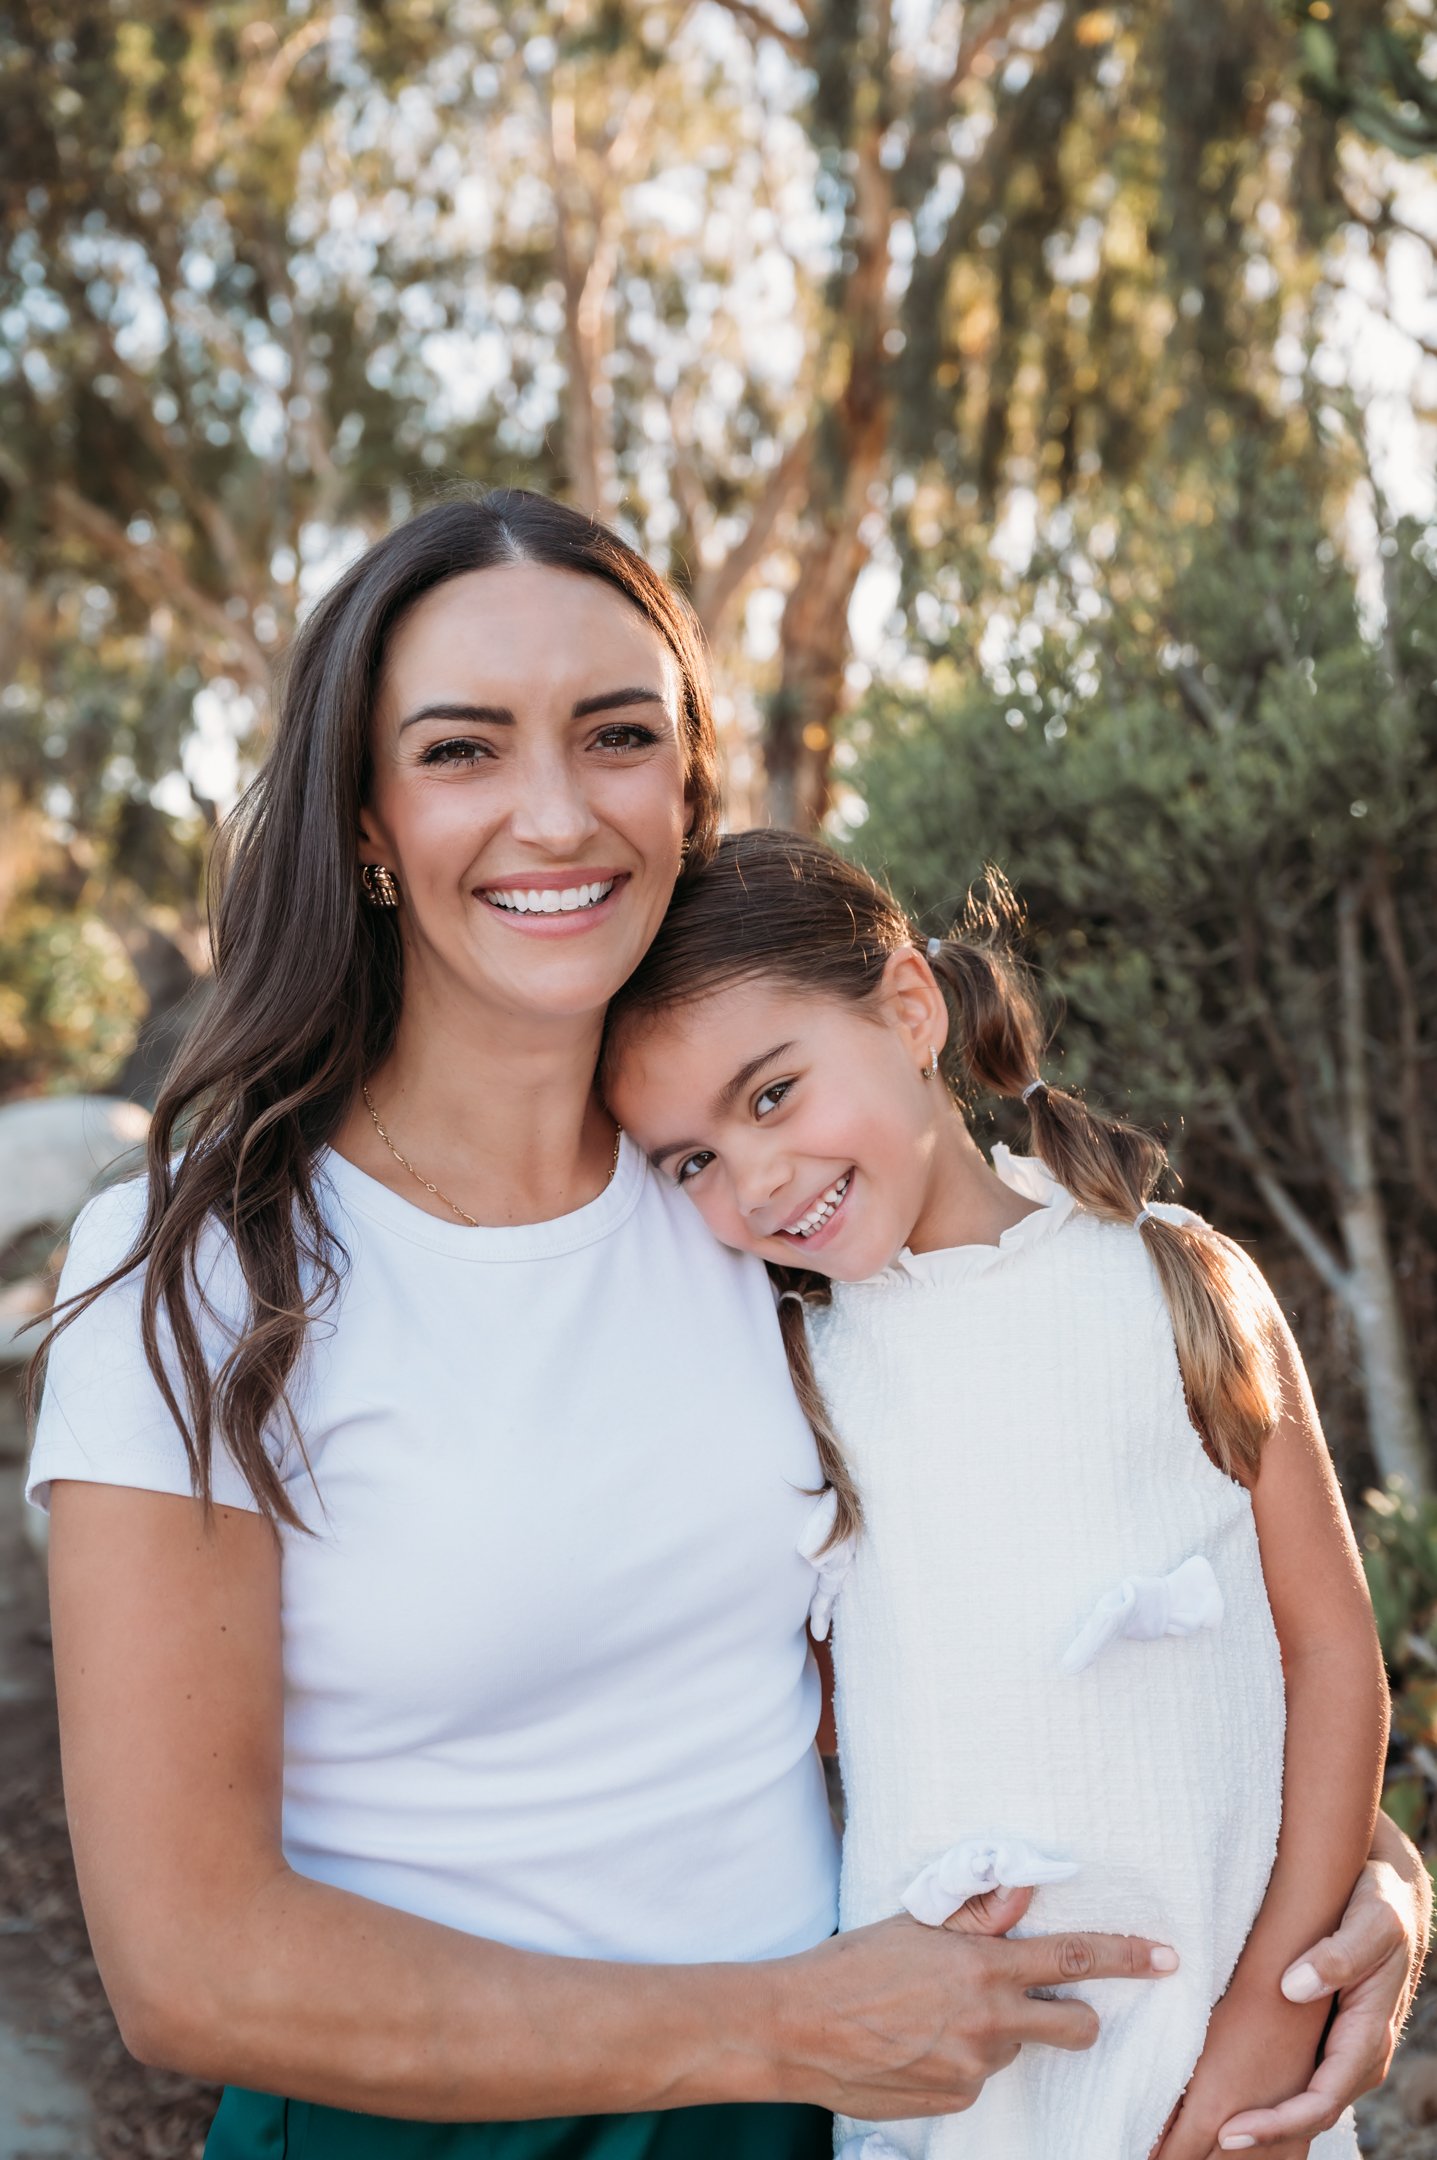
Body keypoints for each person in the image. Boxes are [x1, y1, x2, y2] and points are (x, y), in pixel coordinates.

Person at [24, 496, 1425, 2160]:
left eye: (616, 735)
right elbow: (188, 1969)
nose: (554, 813)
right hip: (443, 2125)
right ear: (363, 824)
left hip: (835, 2124)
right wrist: (779, 2026)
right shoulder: (206, 1260)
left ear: (686, 784)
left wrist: (1343, 1881)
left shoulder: (775, 1215)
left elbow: (1072, 1562)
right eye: (462, 750)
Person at [602, 828, 1404, 2159]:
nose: (753, 1182)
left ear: (909, 1010)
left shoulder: (1177, 1281)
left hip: (1226, 2055)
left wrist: (1268, 2025)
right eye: (685, 1160)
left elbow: (1328, 1661)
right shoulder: (788, 1376)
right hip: (952, 2103)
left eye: (771, 1095)